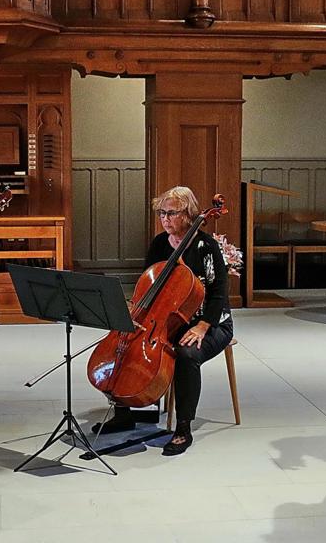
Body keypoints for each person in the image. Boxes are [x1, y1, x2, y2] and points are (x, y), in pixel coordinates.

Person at [93, 186, 233, 455]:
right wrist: (134, 314)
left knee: (186, 353)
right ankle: (123, 413)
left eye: (171, 213)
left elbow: (218, 293)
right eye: (161, 213)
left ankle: (183, 428)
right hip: (167, 319)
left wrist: (204, 326)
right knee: (123, 343)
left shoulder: (206, 247)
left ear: (189, 214)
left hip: (210, 322)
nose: (165, 219)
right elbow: (147, 285)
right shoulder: (160, 244)